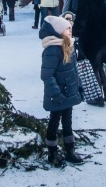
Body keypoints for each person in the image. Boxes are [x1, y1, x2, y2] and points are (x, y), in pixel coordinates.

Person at [40, 15, 83, 167]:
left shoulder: (68, 45)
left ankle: (69, 150)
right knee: (54, 122)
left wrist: (79, 86)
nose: (70, 30)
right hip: (57, 95)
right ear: (58, 31)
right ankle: (52, 153)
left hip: (68, 93)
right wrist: (56, 94)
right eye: (67, 28)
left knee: (68, 122)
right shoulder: (52, 49)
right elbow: (46, 74)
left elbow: (74, 70)